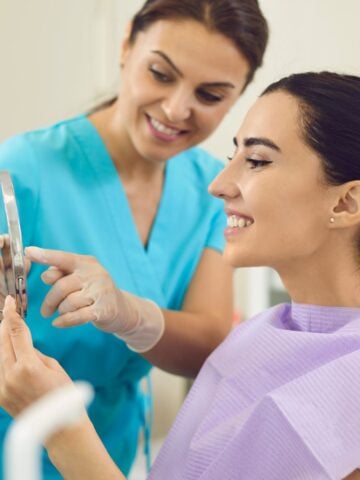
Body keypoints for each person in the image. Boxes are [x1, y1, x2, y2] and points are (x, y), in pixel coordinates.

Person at [2, 70, 360, 479]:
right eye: (233, 158)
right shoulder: (258, 335)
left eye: (257, 161)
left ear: (346, 202)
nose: (219, 184)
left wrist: (59, 427)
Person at [0, 0, 268, 476]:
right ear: (126, 45)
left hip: (114, 447)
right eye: (161, 74)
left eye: (210, 95)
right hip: (15, 438)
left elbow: (209, 342)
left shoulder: (215, 188)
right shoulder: (22, 170)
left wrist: (130, 314)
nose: (175, 109)